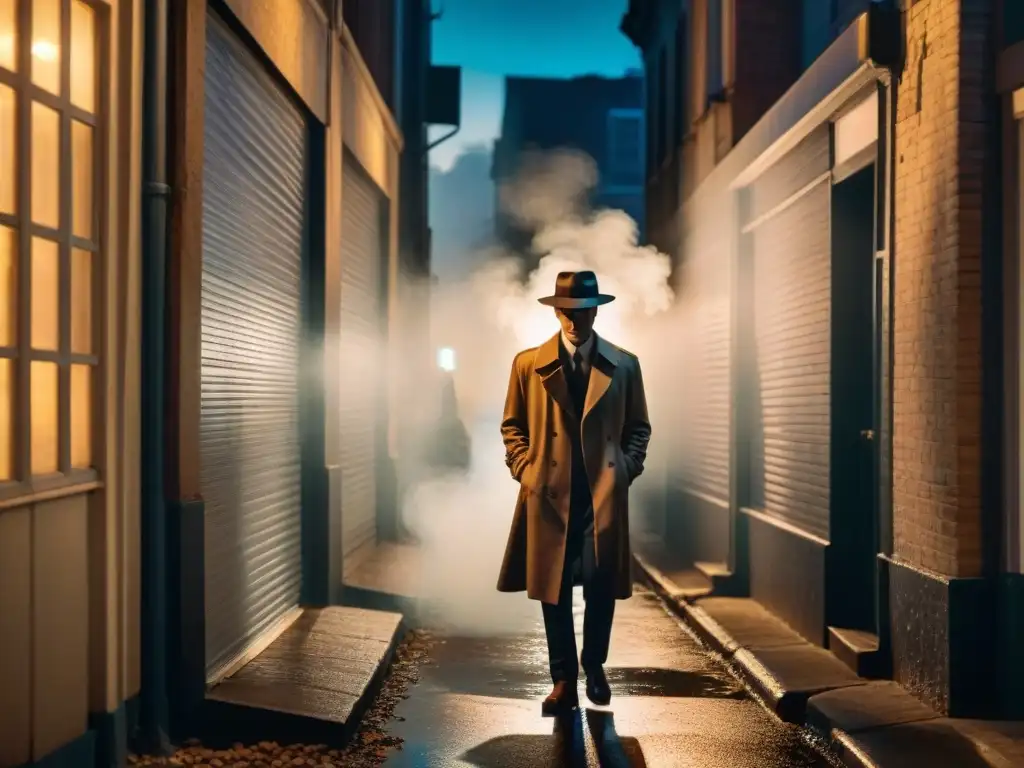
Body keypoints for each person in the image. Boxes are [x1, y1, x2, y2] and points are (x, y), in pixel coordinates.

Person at [497, 270, 652, 715]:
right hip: (548, 491)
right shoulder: (528, 364)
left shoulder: (625, 364)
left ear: (595, 311)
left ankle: (595, 666)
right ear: (556, 312)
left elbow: (638, 427)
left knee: (601, 586)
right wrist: (525, 469)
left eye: (581, 312)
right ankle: (562, 679)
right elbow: (513, 426)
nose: (573, 321)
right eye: (566, 312)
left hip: (601, 491)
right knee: (555, 587)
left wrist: (624, 468)